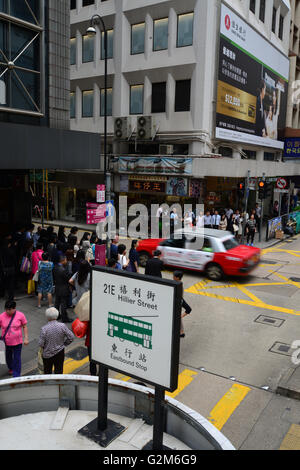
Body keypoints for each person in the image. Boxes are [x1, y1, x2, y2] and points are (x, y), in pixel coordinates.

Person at [38, 307, 74, 374]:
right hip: (60, 352)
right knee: (59, 370)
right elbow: (71, 337)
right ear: (57, 315)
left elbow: (41, 344)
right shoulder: (62, 326)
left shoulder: (44, 329)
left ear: (47, 317)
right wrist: (64, 344)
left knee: (47, 371)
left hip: (47, 354)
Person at [0, 300, 28, 377]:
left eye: (9, 309)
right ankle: (11, 368)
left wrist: (26, 338)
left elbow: (24, 326)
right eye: (6, 309)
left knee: (17, 358)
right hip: (6, 342)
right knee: (8, 357)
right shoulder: (1, 316)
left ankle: (16, 375)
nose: (7, 311)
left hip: (17, 342)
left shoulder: (20, 315)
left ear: (14, 308)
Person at [53, 255, 73, 323]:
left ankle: (56, 316)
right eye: (66, 260)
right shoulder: (63, 270)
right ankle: (64, 318)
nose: (66, 261)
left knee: (57, 303)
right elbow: (68, 279)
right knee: (63, 303)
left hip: (57, 287)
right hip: (63, 288)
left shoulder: (55, 267)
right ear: (63, 260)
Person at [173, 271, 192, 338]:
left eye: (174, 276)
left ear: (178, 278)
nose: (173, 277)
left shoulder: (179, 285)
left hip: (178, 301)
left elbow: (189, 309)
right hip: (179, 300)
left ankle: (181, 332)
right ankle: (181, 332)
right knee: (178, 319)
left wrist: (181, 316)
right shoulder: (178, 283)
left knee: (178, 318)